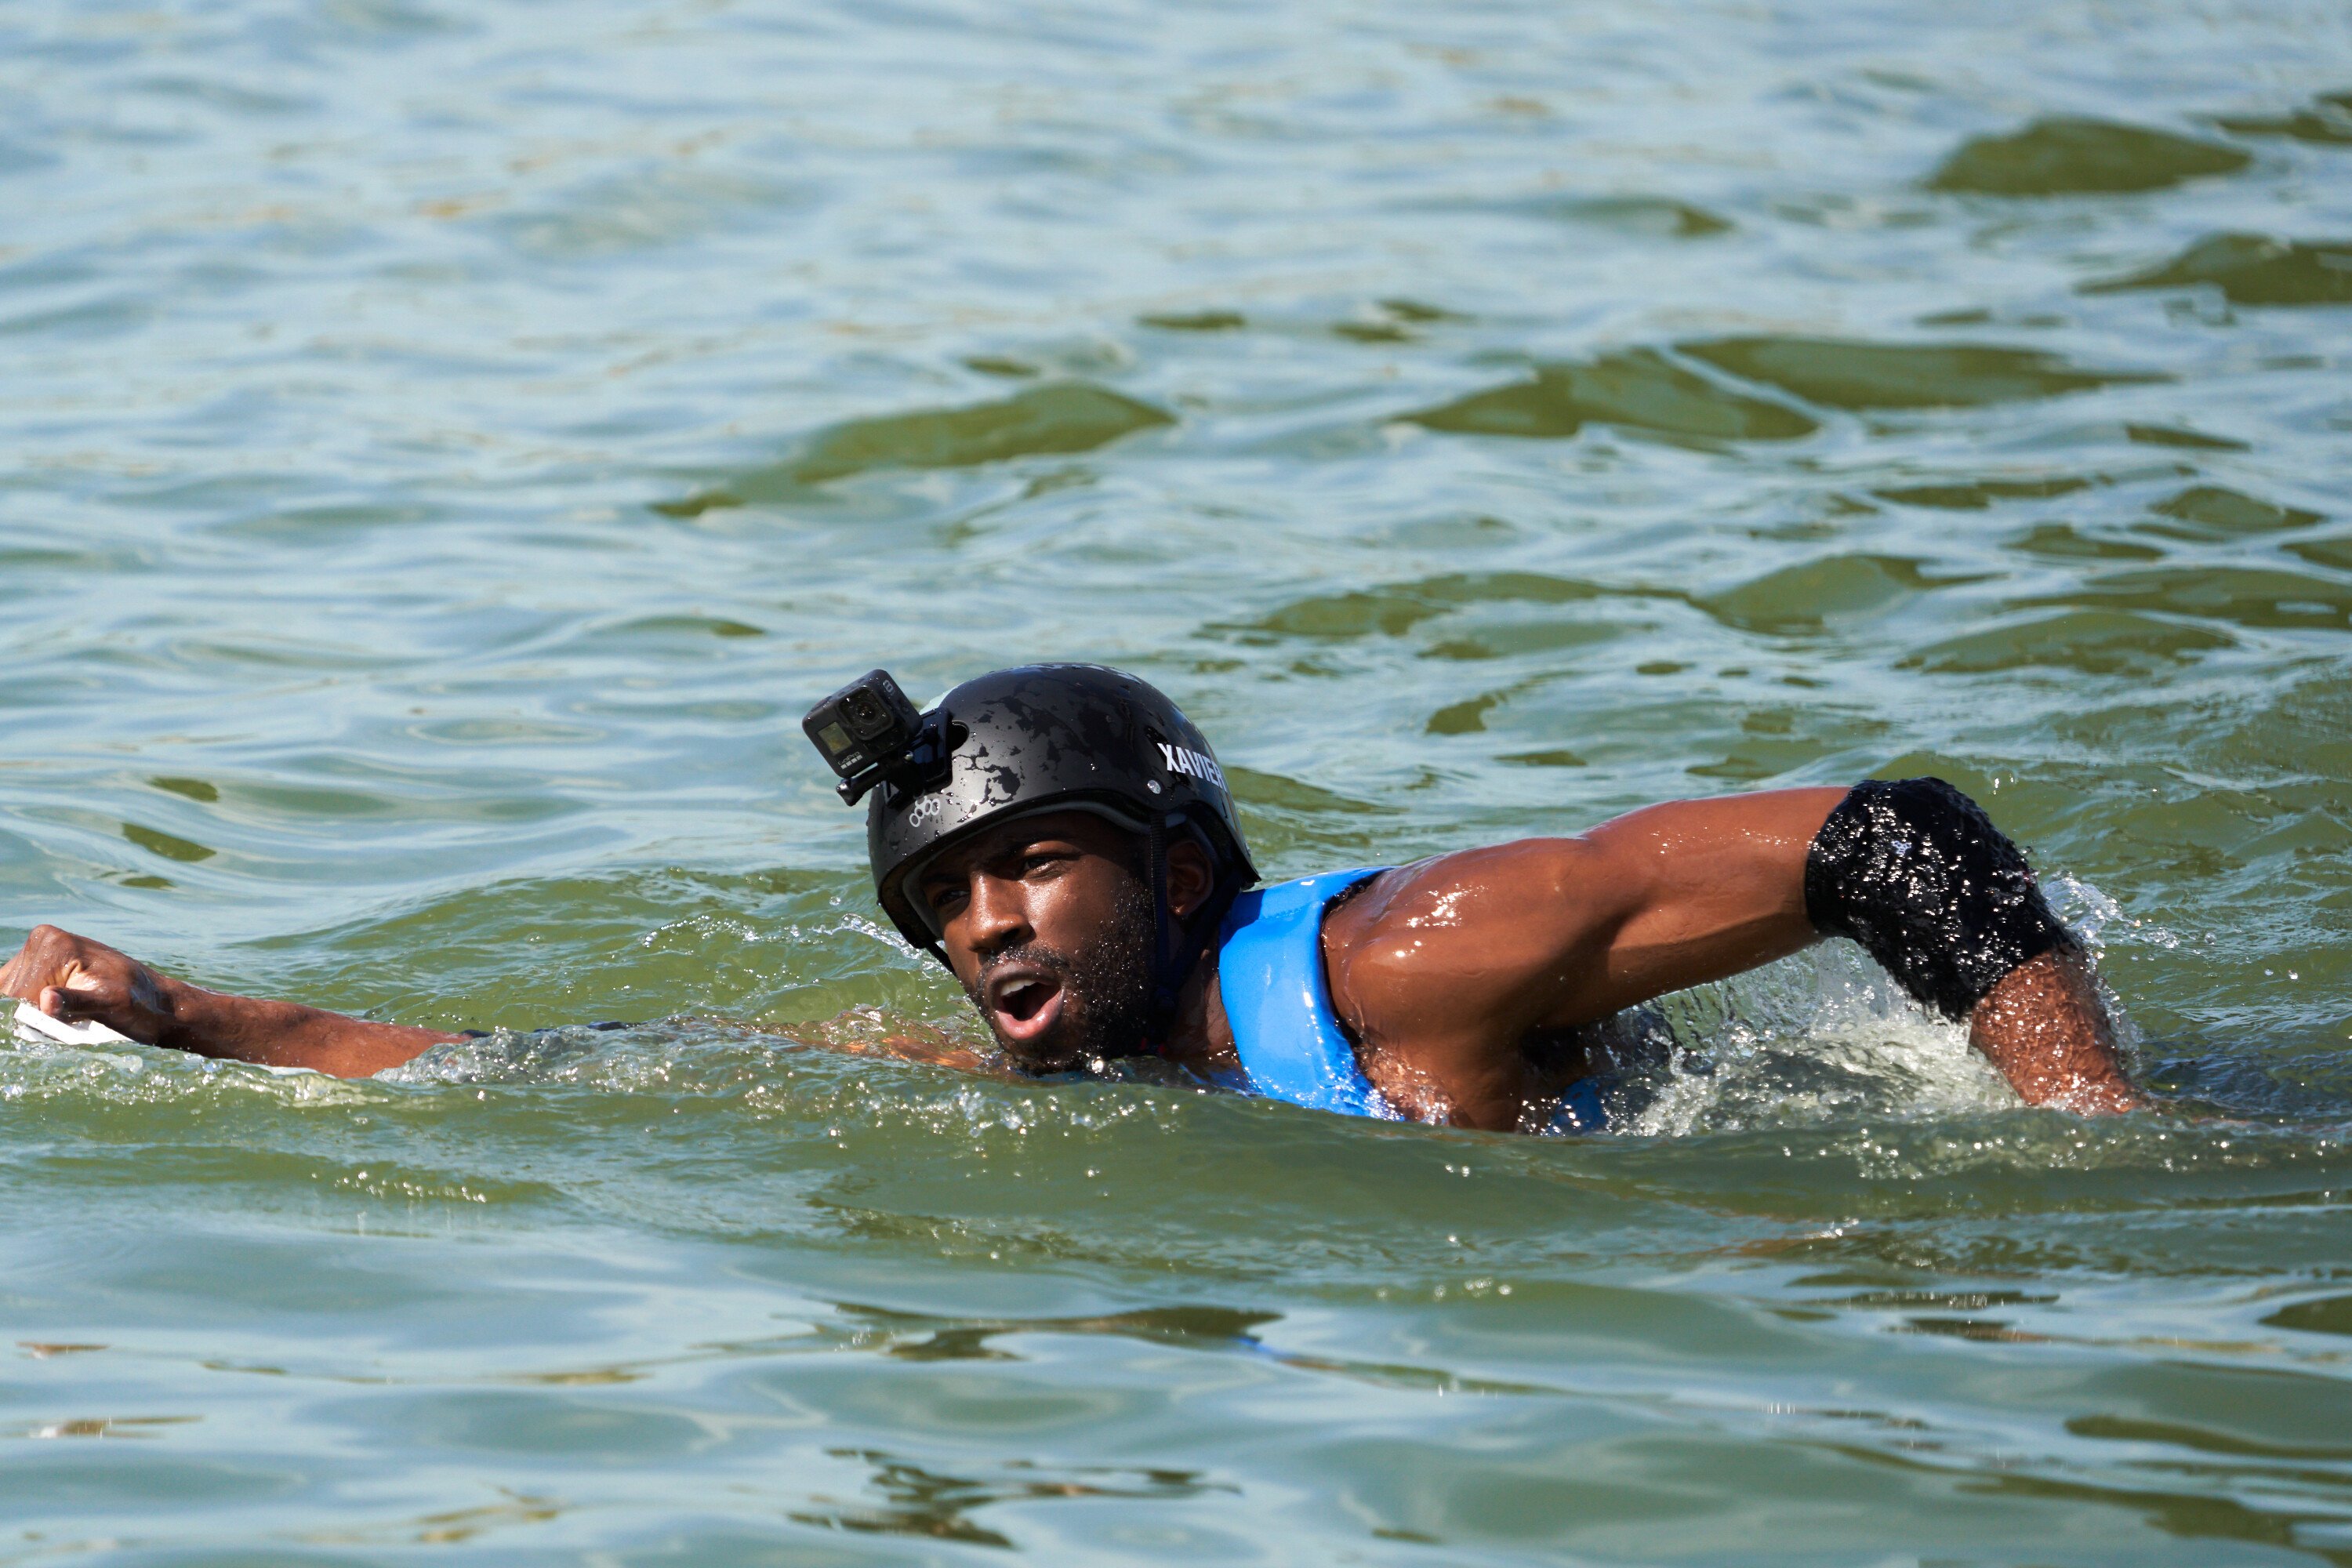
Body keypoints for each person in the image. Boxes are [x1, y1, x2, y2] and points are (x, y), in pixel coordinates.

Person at [0, 663, 2140, 1128]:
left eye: (1032, 858)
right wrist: (200, 1017)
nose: (988, 926)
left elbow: (1899, 834)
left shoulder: (1399, 967)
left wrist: (2096, 1149)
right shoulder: (1040, 1066)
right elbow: (565, 1066)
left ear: (1184, 868)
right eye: (944, 900)